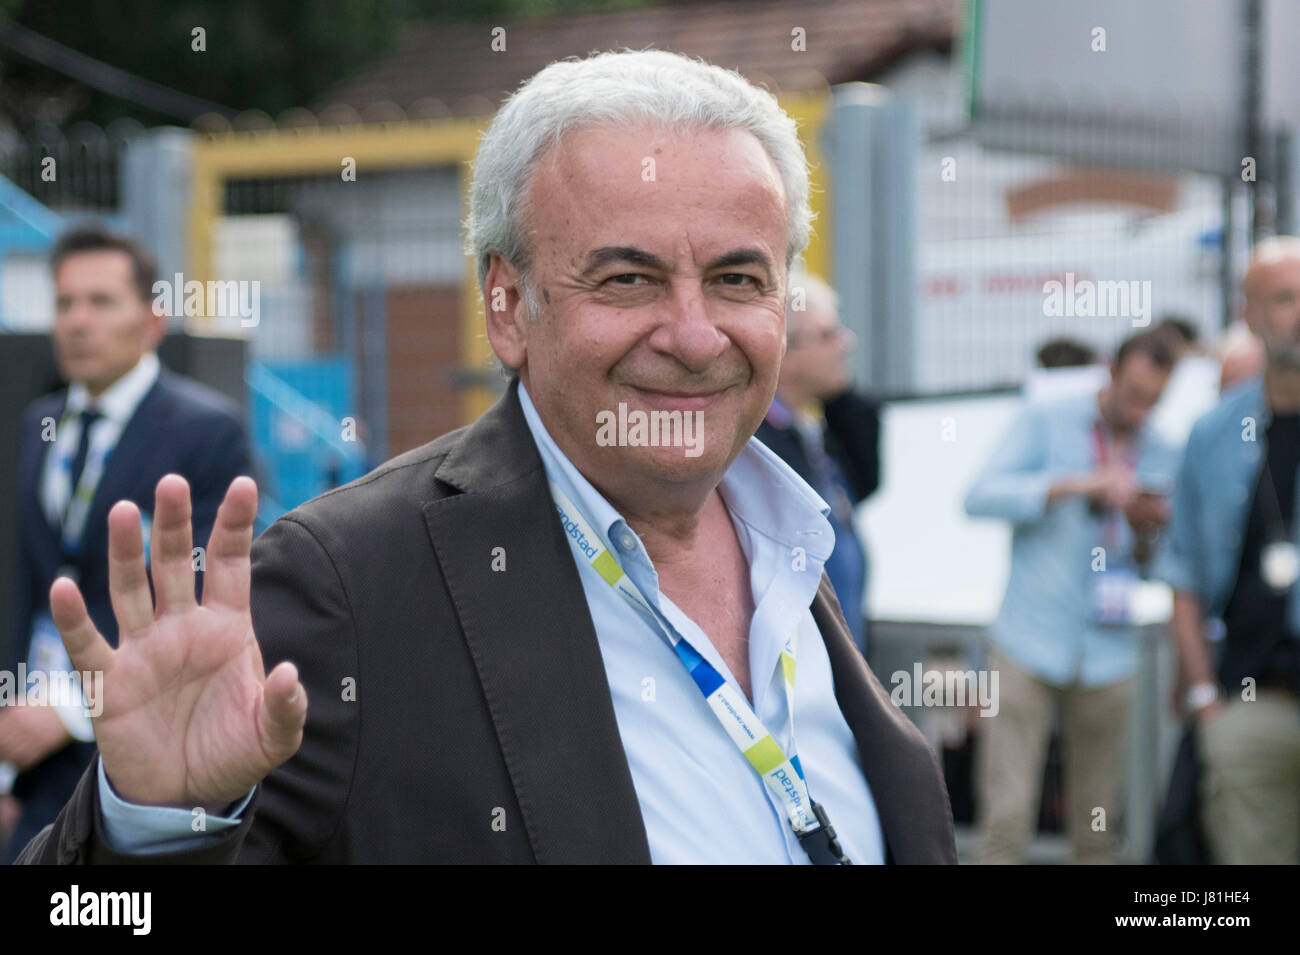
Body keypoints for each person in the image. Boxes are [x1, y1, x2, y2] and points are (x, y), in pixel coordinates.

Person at [14, 50, 955, 865]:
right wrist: (154, 826)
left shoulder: (793, 540)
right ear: (508, 306)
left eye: (737, 278)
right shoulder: (347, 583)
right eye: (627, 278)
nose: (694, 334)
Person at [0, 224, 251, 862]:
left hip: (134, 747)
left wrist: (64, 713)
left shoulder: (206, 431)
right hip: (30, 756)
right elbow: (32, 589)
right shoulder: (40, 425)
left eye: (101, 302)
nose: (77, 322)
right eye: (64, 303)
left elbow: (196, 592)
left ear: (153, 319)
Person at [965, 330, 1180, 864]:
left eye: (1152, 400)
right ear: (1109, 370)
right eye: (1132, 393)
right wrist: (1077, 485)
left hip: (1110, 650)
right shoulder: (1047, 417)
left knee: (1098, 826)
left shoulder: (1164, 450)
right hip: (1027, 640)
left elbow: (1162, 565)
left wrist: (1148, 526)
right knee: (1006, 817)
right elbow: (979, 497)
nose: (1138, 410)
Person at [1159, 237, 1300, 864]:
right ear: (1249, 313)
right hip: (1249, 702)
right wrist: (1203, 702)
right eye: (1286, 299)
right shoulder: (1216, 433)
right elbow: (1182, 572)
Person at [755, 271, 879, 653]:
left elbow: (867, 481)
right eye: (827, 335)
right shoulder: (757, 446)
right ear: (783, 352)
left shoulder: (810, 428)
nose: (847, 343)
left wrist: (841, 396)